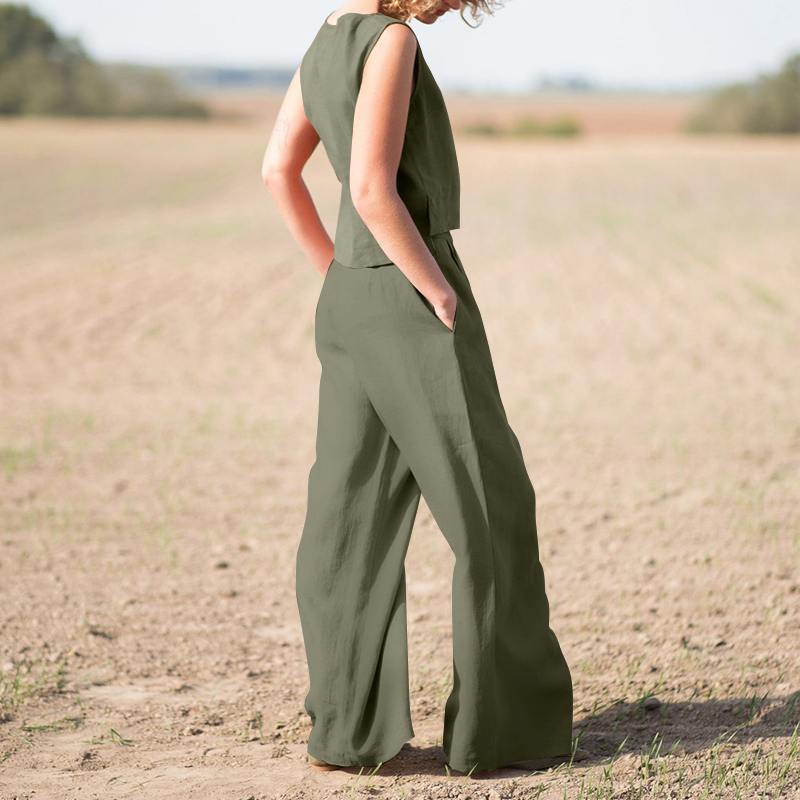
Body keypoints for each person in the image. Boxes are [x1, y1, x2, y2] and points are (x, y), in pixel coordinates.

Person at [261, 0, 582, 776]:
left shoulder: (325, 40)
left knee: (348, 518)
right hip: (408, 294)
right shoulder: (393, 40)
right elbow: (374, 190)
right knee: (490, 506)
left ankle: (344, 732)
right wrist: (435, 289)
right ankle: (504, 734)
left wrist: (337, 273)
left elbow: (277, 171)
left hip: (350, 297)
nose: (456, 7)